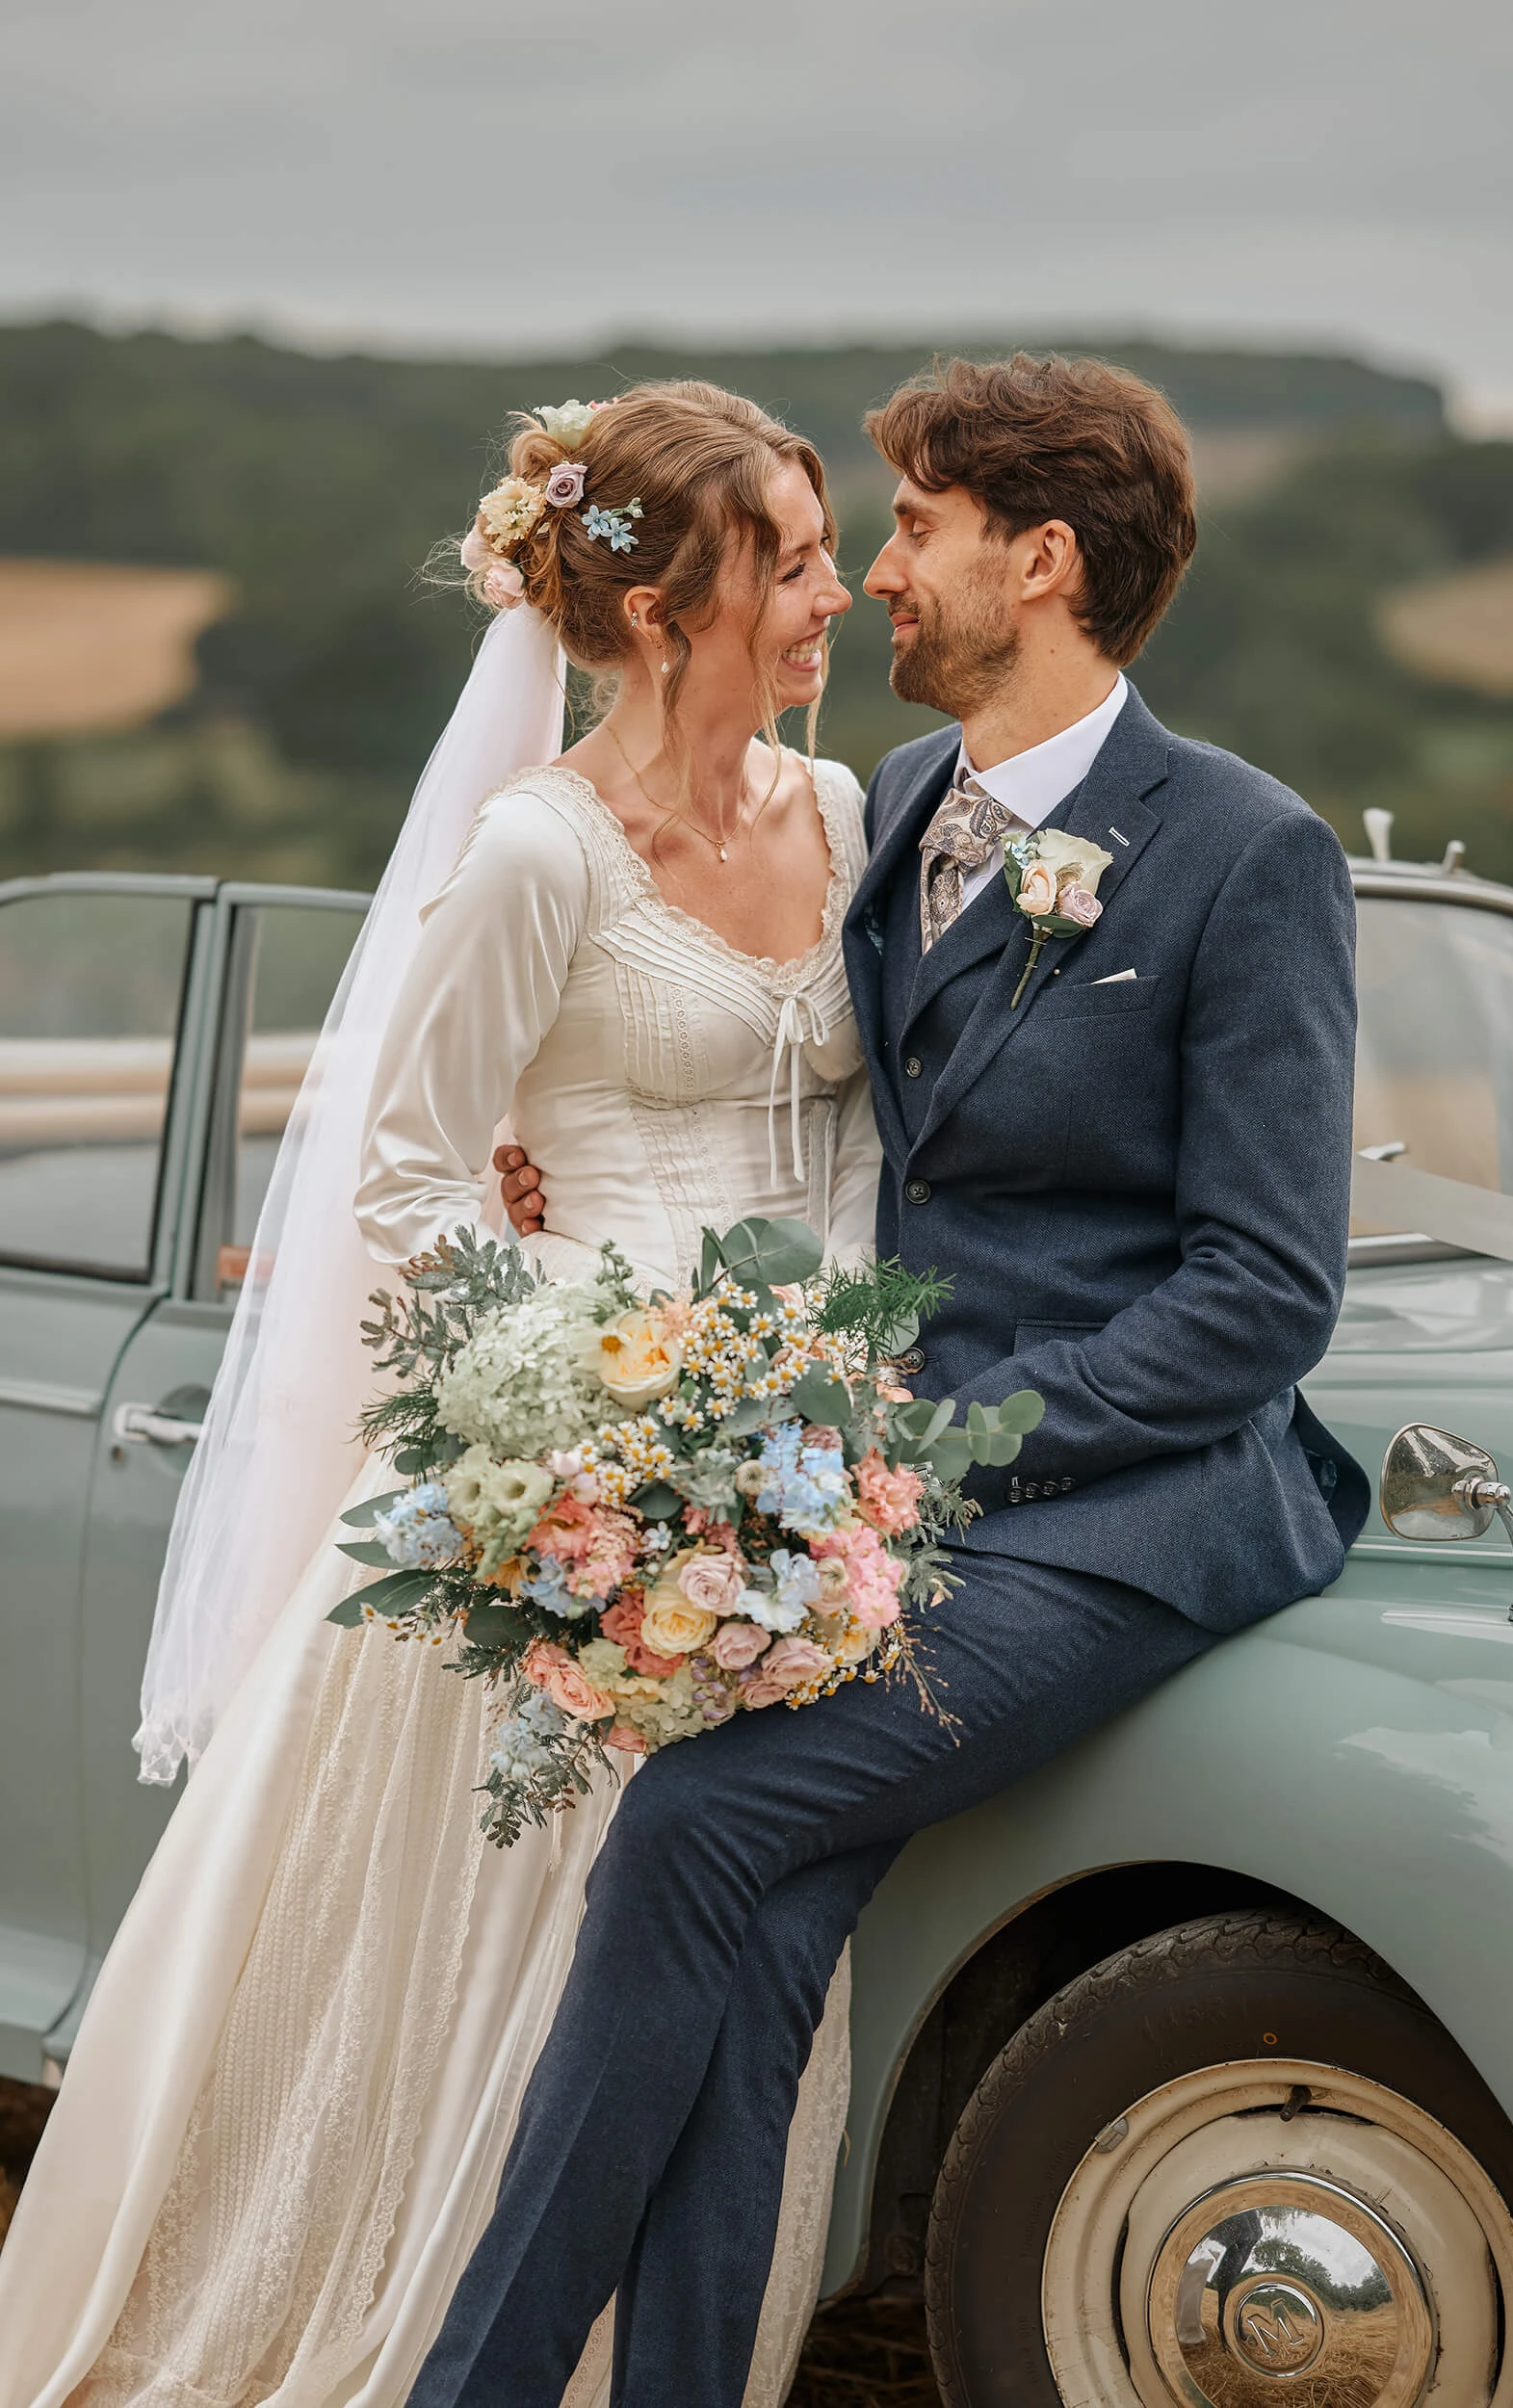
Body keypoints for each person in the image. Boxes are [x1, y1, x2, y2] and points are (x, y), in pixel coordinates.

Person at [424, 351, 1370, 2408]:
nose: (875, 583)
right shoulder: (904, 807)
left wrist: (927, 1457)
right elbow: (788, 1091)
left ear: (1039, 562)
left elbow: (1266, 1292)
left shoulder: (1244, 850)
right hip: (858, 1487)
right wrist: (545, 1170)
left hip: (1131, 1508)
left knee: (692, 1824)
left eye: (916, 532)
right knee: (754, 1937)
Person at [0, 382, 877, 2408]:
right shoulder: (535, 851)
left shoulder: (837, 816)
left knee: (716, 1960)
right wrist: (582, 1400)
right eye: (796, 557)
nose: (835, 594)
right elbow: (404, 1170)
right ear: (672, 606)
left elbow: (851, 1135)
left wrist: (816, 1368)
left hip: (799, 1461)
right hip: (568, 1473)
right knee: (485, 1958)